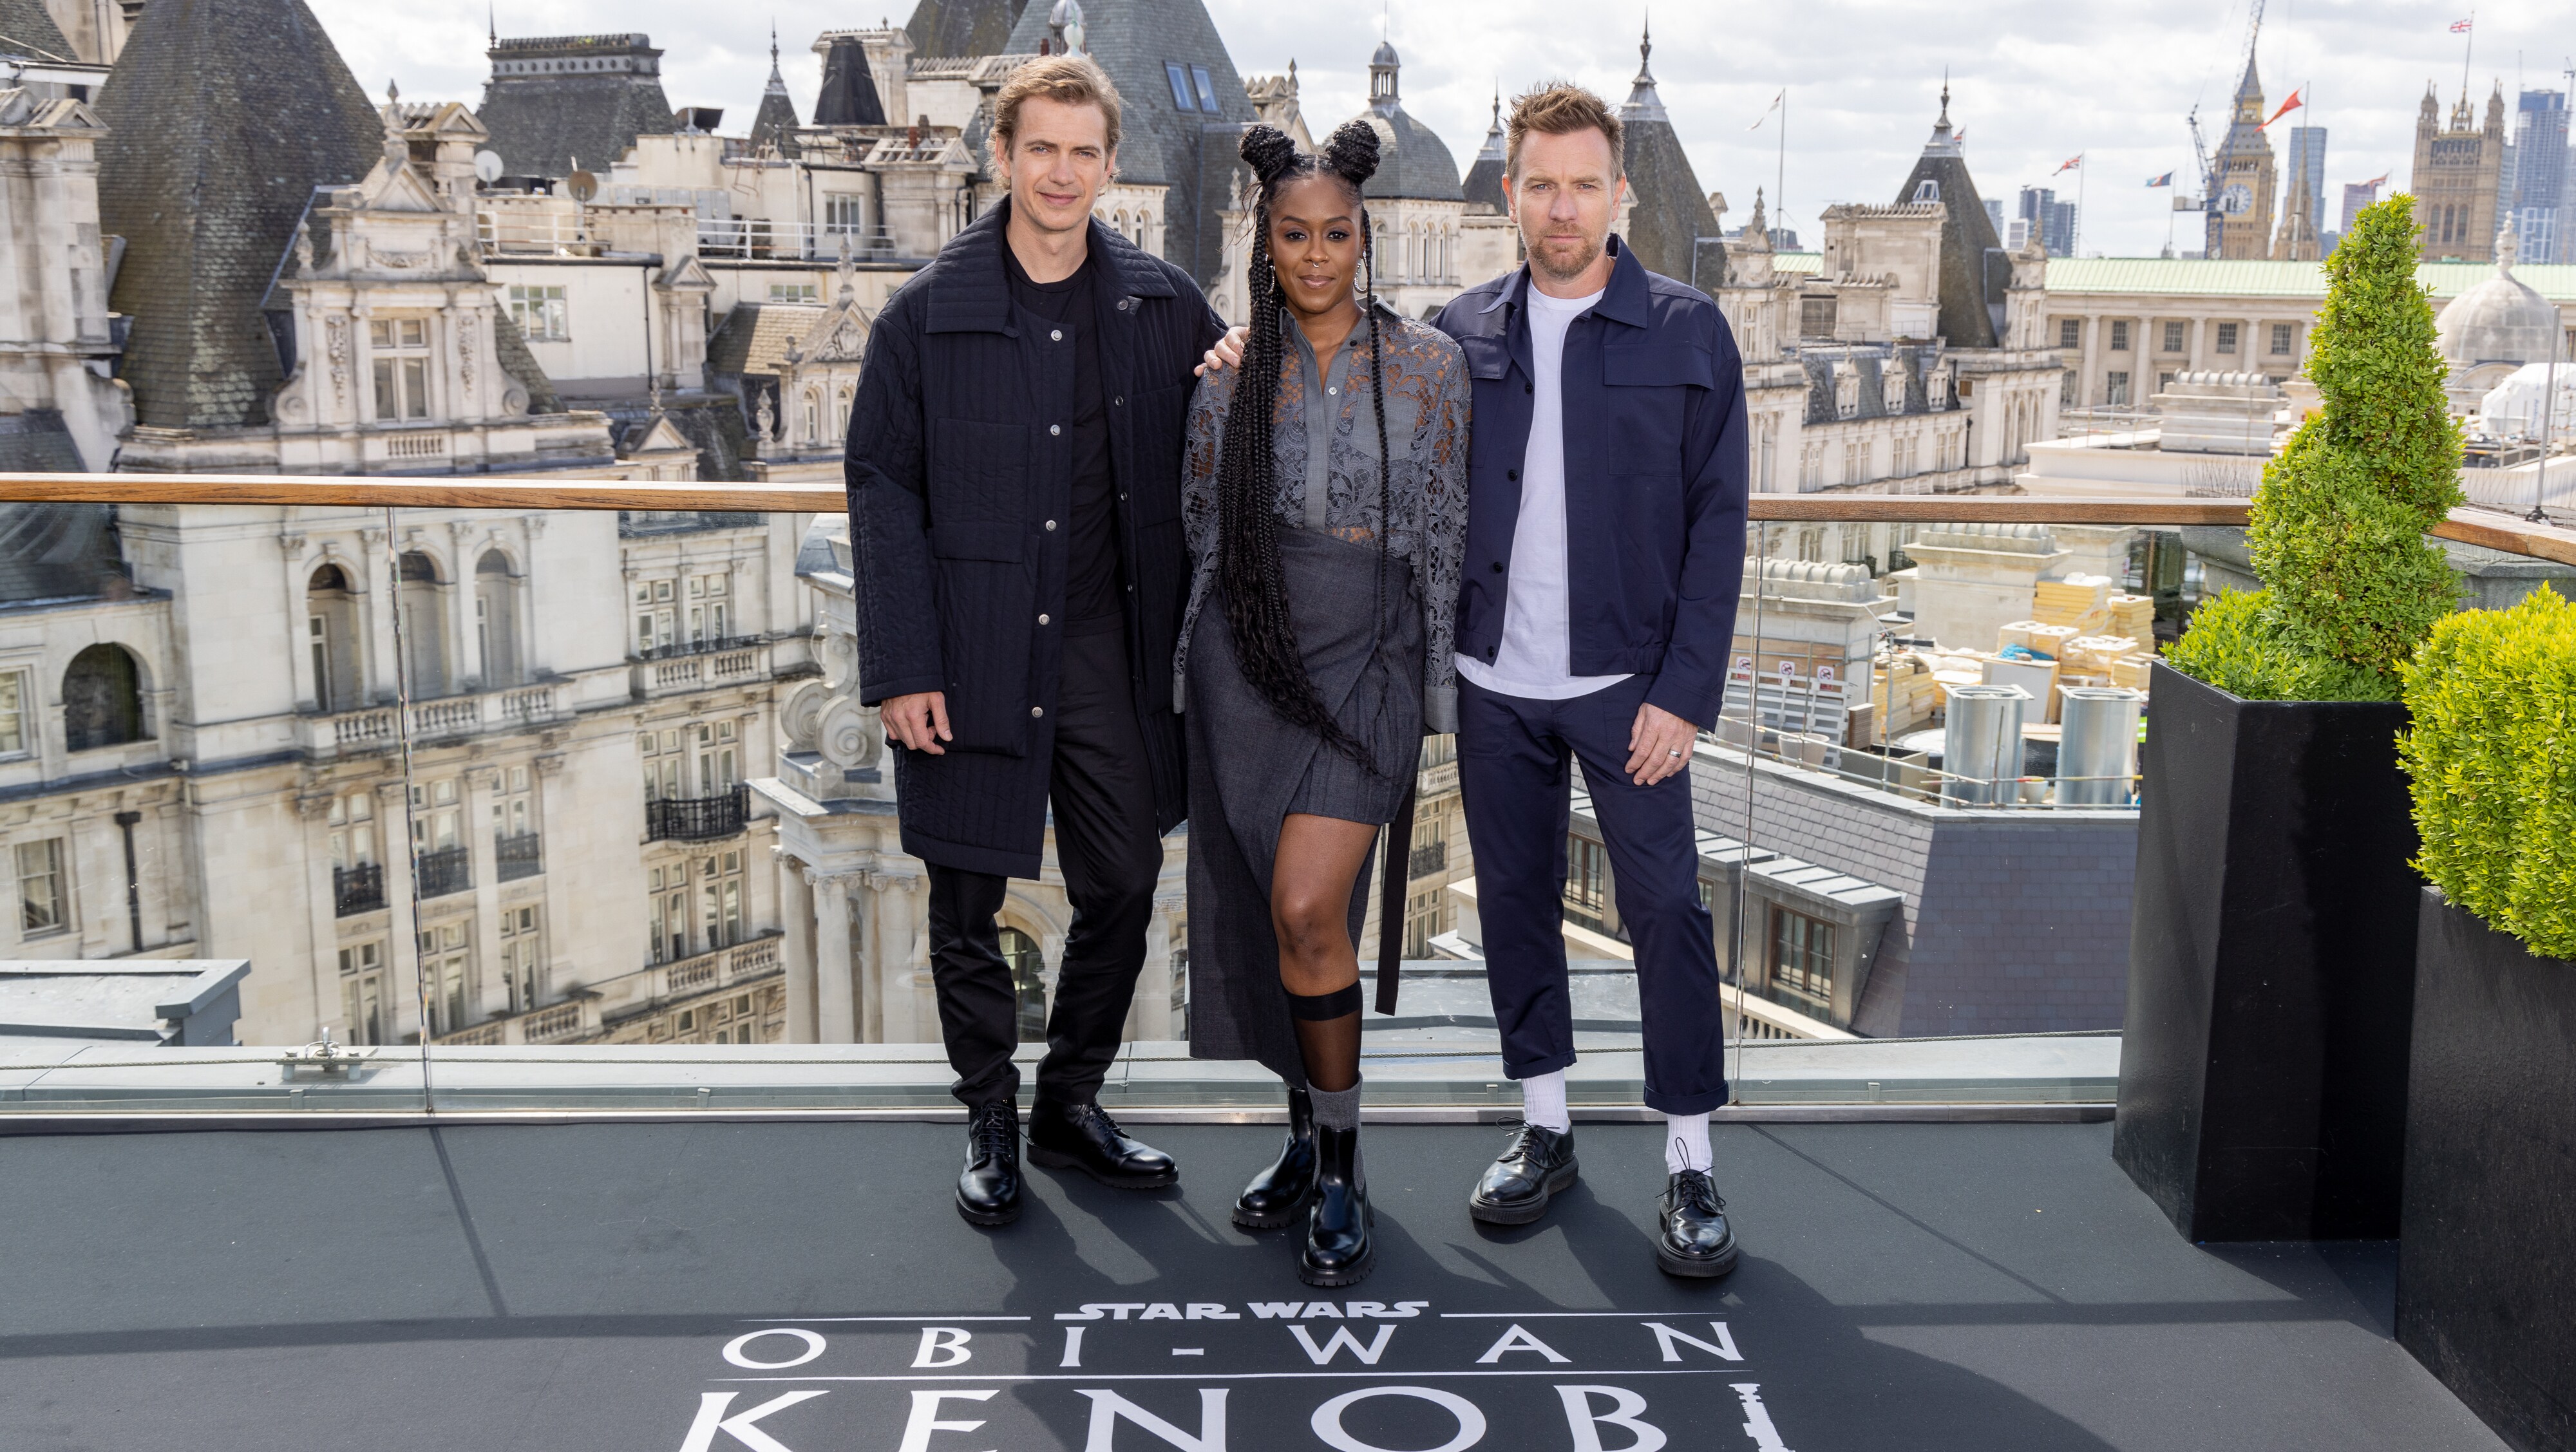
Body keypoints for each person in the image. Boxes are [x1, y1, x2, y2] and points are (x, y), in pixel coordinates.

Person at [844, 55, 1224, 1227]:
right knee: (962, 900)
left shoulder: (1166, 305)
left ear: (1111, 168)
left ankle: (1069, 1100)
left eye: (1084, 152)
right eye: (1040, 149)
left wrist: (1244, 371)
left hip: (1109, 649)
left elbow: (1239, 425)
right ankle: (989, 1119)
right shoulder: (920, 317)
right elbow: (881, 490)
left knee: (1122, 881)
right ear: (1001, 157)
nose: (1061, 174)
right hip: (968, 653)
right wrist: (903, 668)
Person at [1434, 82, 1750, 1278]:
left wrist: (1685, 692)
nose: (1561, 207)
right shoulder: (1459, 329)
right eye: (1538, 184)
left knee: (1666, 909)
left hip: (1630, 689)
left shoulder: (1689, 330)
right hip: (1491, 680)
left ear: (1620, 193)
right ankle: (1546, 1129)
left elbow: (1720, 524)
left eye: (1583, 184)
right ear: (1510, 193)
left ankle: (1688, 1157)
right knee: (1514, 904)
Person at [1179, 122, 1469, 1287]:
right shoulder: (1229, 370)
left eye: (1335, 234)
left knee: (1309, 904)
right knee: (1270, 913)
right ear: (1266, 241)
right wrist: (1183, 675)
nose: (1314, 254)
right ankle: (1305, 1134)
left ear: (1367, 236)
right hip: (1247, 656)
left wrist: (1438, 687)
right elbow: (1205, 528)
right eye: (1292, 234)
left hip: (1372, 660)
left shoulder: (1432, 366)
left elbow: (1445, 533)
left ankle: (1345, 1163)